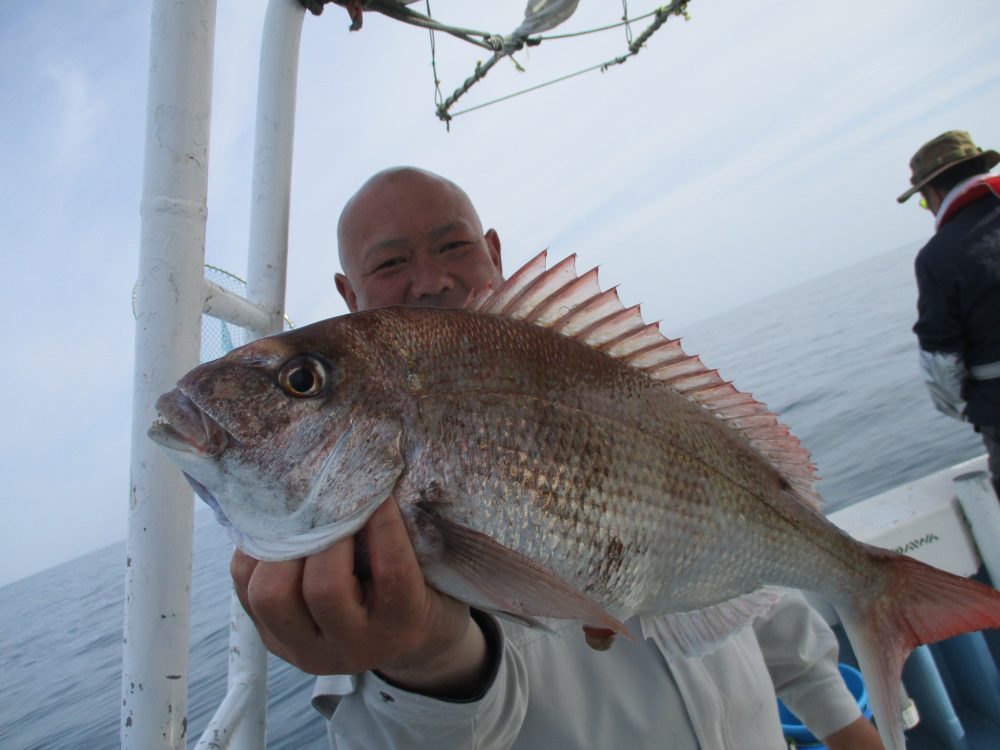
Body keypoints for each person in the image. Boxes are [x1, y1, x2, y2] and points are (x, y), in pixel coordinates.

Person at [231, 167, 883, 748]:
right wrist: (426, 659)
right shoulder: (351, 525)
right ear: (350, 293)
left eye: (452, 245)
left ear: (493, 251)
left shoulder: (601, 372)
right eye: (391, 262)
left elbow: (742, 570)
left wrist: (844, 723)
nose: (430, 279)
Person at [898, 130, 1000, 499]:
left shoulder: (938, 257)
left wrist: (967, 408)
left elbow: (941, 362)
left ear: (935, 193)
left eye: (925, 203)